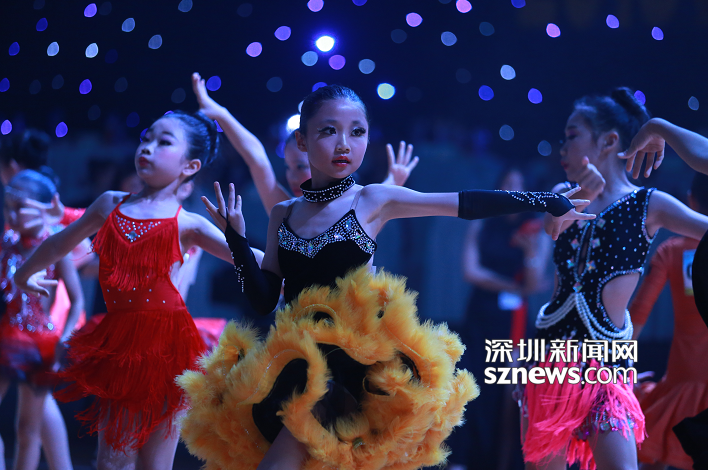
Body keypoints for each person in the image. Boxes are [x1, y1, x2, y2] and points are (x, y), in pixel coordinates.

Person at [176, 84, 593, 470]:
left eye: (357, 132)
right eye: (329, 131)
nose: (345, 143)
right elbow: (265, 299)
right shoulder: (283, 213)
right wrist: (236, 240)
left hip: (353, 372)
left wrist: (544, 200)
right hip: (296, 367)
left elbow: (462, 203)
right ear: (302, 141)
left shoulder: (372, 199)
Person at [14, 110, 263, 470]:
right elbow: (59, 242)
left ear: (190, 166)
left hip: (169, 346)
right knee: (112, 462)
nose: (147, 147)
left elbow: (253, 259)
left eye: (164, 142)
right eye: (146, 138)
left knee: (154, 465)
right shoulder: (110, 204)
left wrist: (259, 245)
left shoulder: (188, 224)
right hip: (123, 344)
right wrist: (25, 273)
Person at [518, 88, 708, 470]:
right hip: (550, 361)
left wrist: (661, 127)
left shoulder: (650, 204)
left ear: (608, 141)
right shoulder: (562, 194)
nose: (562, 148)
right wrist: (578, 197)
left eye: (572, 136)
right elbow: (552, 227)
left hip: (608, 370)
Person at [190, 72, 419, 214]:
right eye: (288, 168)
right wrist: (220, 114)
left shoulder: (359, 205)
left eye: (300, 166)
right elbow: (257, 158)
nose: (292, 177)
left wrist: (391, 182)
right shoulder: (285, 212)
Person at [449, 167, 551, 470]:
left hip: (513, 320)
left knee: (508, 391)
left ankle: (501, 463)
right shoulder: (482, 222)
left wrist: (529, 255)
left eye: (518, 185)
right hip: (481, 313)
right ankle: (462, 459)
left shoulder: (535, 228)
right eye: (506, 184)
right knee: (469, 382)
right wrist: (511, 286)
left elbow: (533, 283)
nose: (511, 190)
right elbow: (471, 271)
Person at [0, 170, 83, 470]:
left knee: (28, 429)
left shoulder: (55, 246)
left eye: (19, 207)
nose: (11, 215)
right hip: (7, 337)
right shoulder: (7, 242)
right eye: (8, 207)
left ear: (43, 208)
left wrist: (65, 340)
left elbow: (77, 300)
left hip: (40, 344)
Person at [628, 172, 708, 470]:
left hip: (682, 377)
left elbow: (639, 312)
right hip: (684, 379)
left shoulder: (671, 252)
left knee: (656, 453)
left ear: (690, 201)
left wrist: (616, 367)